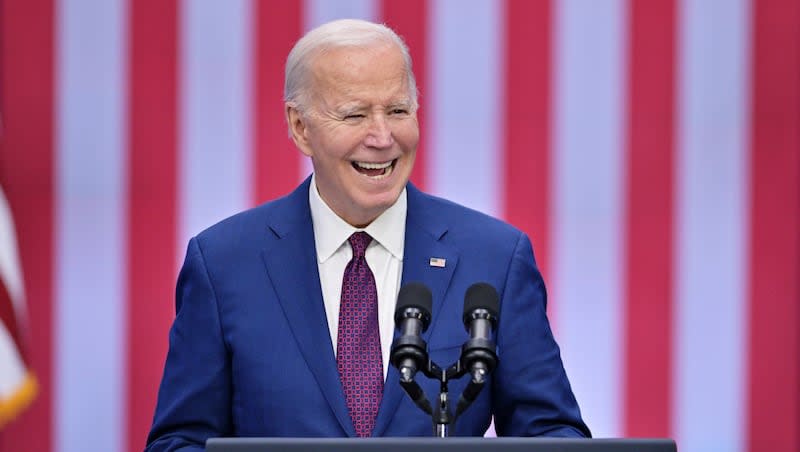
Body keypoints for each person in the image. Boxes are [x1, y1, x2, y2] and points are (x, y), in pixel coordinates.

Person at [145, 18, 589, 450]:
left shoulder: (493, 257)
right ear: (300, 127)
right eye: (355, 114)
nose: (382, 137)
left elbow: (553, 434)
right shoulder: (223, 264)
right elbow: (178, 441)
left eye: (397, 111)